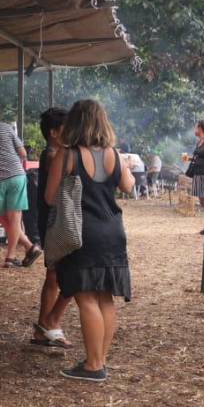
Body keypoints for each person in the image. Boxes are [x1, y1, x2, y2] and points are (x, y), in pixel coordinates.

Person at [45, 99, 133, 382]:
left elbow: (50, 197)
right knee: (106, 298)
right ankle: (99, 359)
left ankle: (94, 365)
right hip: (113, 231)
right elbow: (128, 186)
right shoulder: (114, 154)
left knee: (86, 298)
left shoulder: (67, 155)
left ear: (75, 123)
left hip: (82, 233)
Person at [0, 102, 40, 267]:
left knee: (2, 217)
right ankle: (28, 246)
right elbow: (23, 153)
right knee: (13, 218)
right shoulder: (6, 128)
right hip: (16, 175)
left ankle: (11, 256)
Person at [33, 108, 73, 351]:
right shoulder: (53, 156)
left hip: (52, 222)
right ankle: (50, 324)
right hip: (56, 223)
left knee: (54, 276)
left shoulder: (53, 153)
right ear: (54, 133)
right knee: (62, 276)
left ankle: (43, 327)